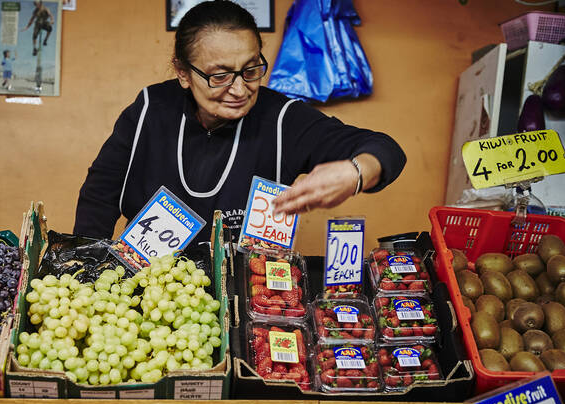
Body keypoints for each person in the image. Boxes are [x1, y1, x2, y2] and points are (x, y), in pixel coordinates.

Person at [74, 0, 406, 243]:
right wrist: (85, 266)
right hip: (150, 287)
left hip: (246, 300)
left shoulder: (283, 118)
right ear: (183, 73)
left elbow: (385, 149)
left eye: (250, 70)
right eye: (219, 76)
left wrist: (355, 172)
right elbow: (100, 193)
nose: (239, 89)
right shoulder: (150, 108)